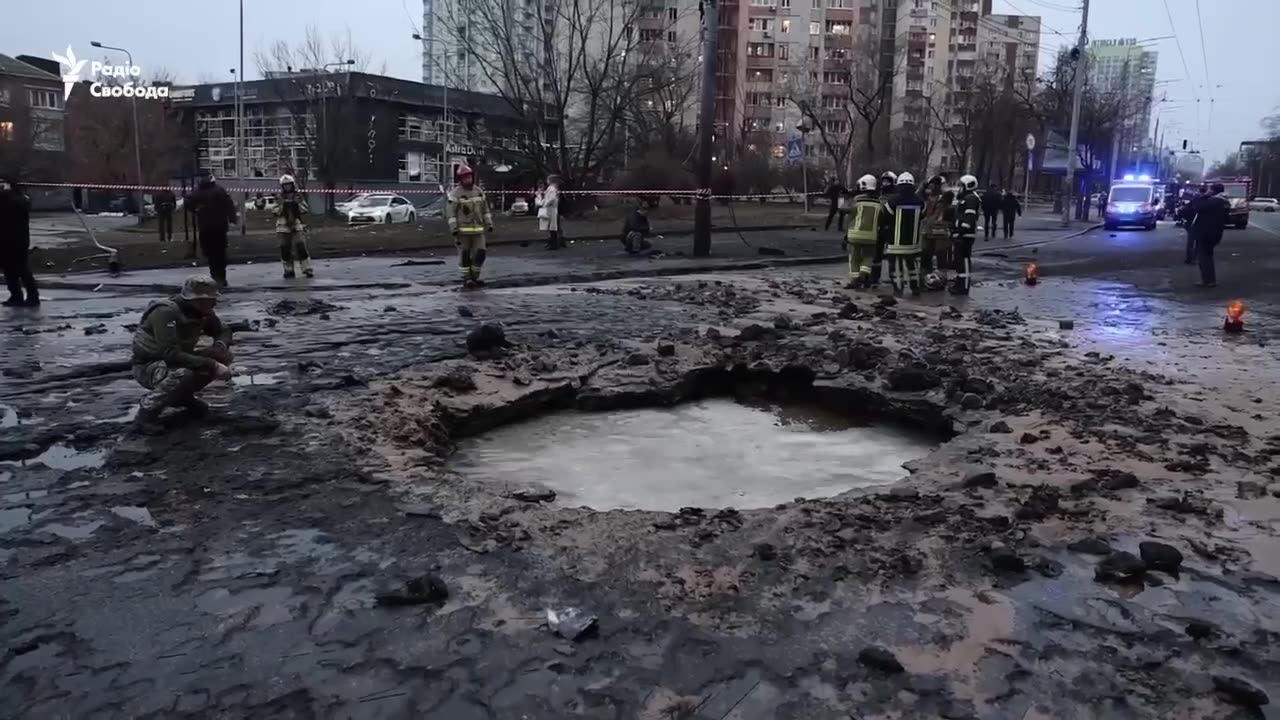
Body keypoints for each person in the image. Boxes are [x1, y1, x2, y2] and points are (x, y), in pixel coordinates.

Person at [130, 274, 234, 435]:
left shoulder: (202, 311)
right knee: (182, 374)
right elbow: (169, 353)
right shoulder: (165, 312)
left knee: (222, 356)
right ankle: (147, 412)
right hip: (149, 365)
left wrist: (220, 346)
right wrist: (212, 364)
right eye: (211, 299)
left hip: (179, 358)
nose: (215, 303)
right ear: (197, 300)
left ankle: (183, 398)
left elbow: (223, 330)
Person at [185, 174, 238, 288]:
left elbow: (189, 204)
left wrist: (196, 210)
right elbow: (229, 204)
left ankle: (214, 276)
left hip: (205, 228)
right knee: (220, 252)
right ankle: (221, 277)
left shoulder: (197, 192)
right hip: (219, 227)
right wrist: (233, 218)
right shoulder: (219, 190)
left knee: (210, 253)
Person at [447, 163, 494, 287]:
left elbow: (485, 210)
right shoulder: (455, 194)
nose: (468, 179)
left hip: (478, 231)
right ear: (460, 179)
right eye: (465, 177)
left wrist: (489, 223)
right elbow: (451, 213)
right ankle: (467, 278)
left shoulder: (479, 192)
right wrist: (454, 229)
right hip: (462, 232)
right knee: (465, 256)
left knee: (481, 253)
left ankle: (474, 277)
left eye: (469, 177)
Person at [879, 172, 925, 297]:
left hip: (895, 241)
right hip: (913, 243)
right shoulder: (920, 201)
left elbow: (885, 218)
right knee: (912, 265)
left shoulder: (892, 201)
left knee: (895, 266)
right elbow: (923, 215)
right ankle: (915, 288)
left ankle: (898, 289)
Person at [1180, 182, 1230, 288]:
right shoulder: (1224, 202)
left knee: (1204, 257)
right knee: (1207, 256)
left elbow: (1198, 206)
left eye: (1210, 189)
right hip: (1214, 231)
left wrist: (1203, 196)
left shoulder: (1215, 201)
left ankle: (1208, 280)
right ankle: (1208, 280)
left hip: (1206, 232)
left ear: (1213, 191)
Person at [0, 178, 38, 307]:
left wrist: (6, 193)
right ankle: (16, 296)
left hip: (17, 239)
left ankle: (33, 296)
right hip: (4, 238)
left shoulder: (18, 199)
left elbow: (18, 206)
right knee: (8, 269)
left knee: (21, 268)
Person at [844, 174, 881, 289]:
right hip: (871, 236)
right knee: (868, 257)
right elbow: (883, 218)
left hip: (855, 234)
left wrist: (849, 196)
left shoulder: (856, 201)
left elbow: (843, 210)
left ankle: (855, 280)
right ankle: (863, 275)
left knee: (854, 258)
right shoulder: (879, 203)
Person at [274, 175, 312, 279]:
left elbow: (305, 210)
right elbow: (275, 211)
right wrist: (282, 205)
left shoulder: (297, 196)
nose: (287, 187)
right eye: (285, 186)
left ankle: (307, 268)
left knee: (301, 246)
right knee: (285, 249)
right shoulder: (279, 197)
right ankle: (288, 270)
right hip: (282, 226)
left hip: (296, 225)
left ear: (292, 185)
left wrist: (298, 203)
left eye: (288, 185)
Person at [950, 174, 981, 295]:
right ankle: (959, 284)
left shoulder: (971, 199)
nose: (959, 189)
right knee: (959, 261)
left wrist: (960, 232)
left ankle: (964, 286)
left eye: (961, 186)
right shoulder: (968, 198)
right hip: (962, 234)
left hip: (965, 235)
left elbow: (969, 219)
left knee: (964, 261)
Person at [921, 175, 952, 291]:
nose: (932, 187)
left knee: (941, 258)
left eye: (935, 185)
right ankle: (925, 280)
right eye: (931, 185)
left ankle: (940, 281)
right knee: (926, 257)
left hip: (939, 233)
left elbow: (949, 196)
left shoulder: (944, 198)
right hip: (928, 232)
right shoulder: (926, 198)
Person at [870, 171, 897, 285]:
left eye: (888, 181)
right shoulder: (879, 195)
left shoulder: (895, 197)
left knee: (891, 253)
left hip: (890, 227)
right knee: (877, 254)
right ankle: (875, 276)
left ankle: (893, 276)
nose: (885, 183)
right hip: (879, 227)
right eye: (884, 181)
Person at [540, 175, 563, 249]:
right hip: (551, 209)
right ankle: (552, 243)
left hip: (551, 209)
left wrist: (545, 204)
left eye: (547, 179)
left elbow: (552, 199)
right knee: (551, 227)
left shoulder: (552, 189)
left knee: (552, 227)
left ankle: (554, 244)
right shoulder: (552, 188)